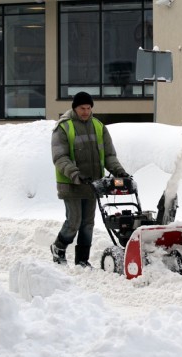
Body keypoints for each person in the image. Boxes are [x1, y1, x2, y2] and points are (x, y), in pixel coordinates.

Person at [50, 91, 129, 267]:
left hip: (93, 184)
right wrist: (75, 174)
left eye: (88, 108)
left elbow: (109, 155)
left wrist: (119, 171)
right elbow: (60, 157)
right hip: (71, 183)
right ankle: (59, 247)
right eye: (82, 108)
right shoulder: (63, 127)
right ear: (74, 108)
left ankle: (82, 260)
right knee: (74, 221)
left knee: (88, 224)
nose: (85, 111)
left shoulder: (99, 126)